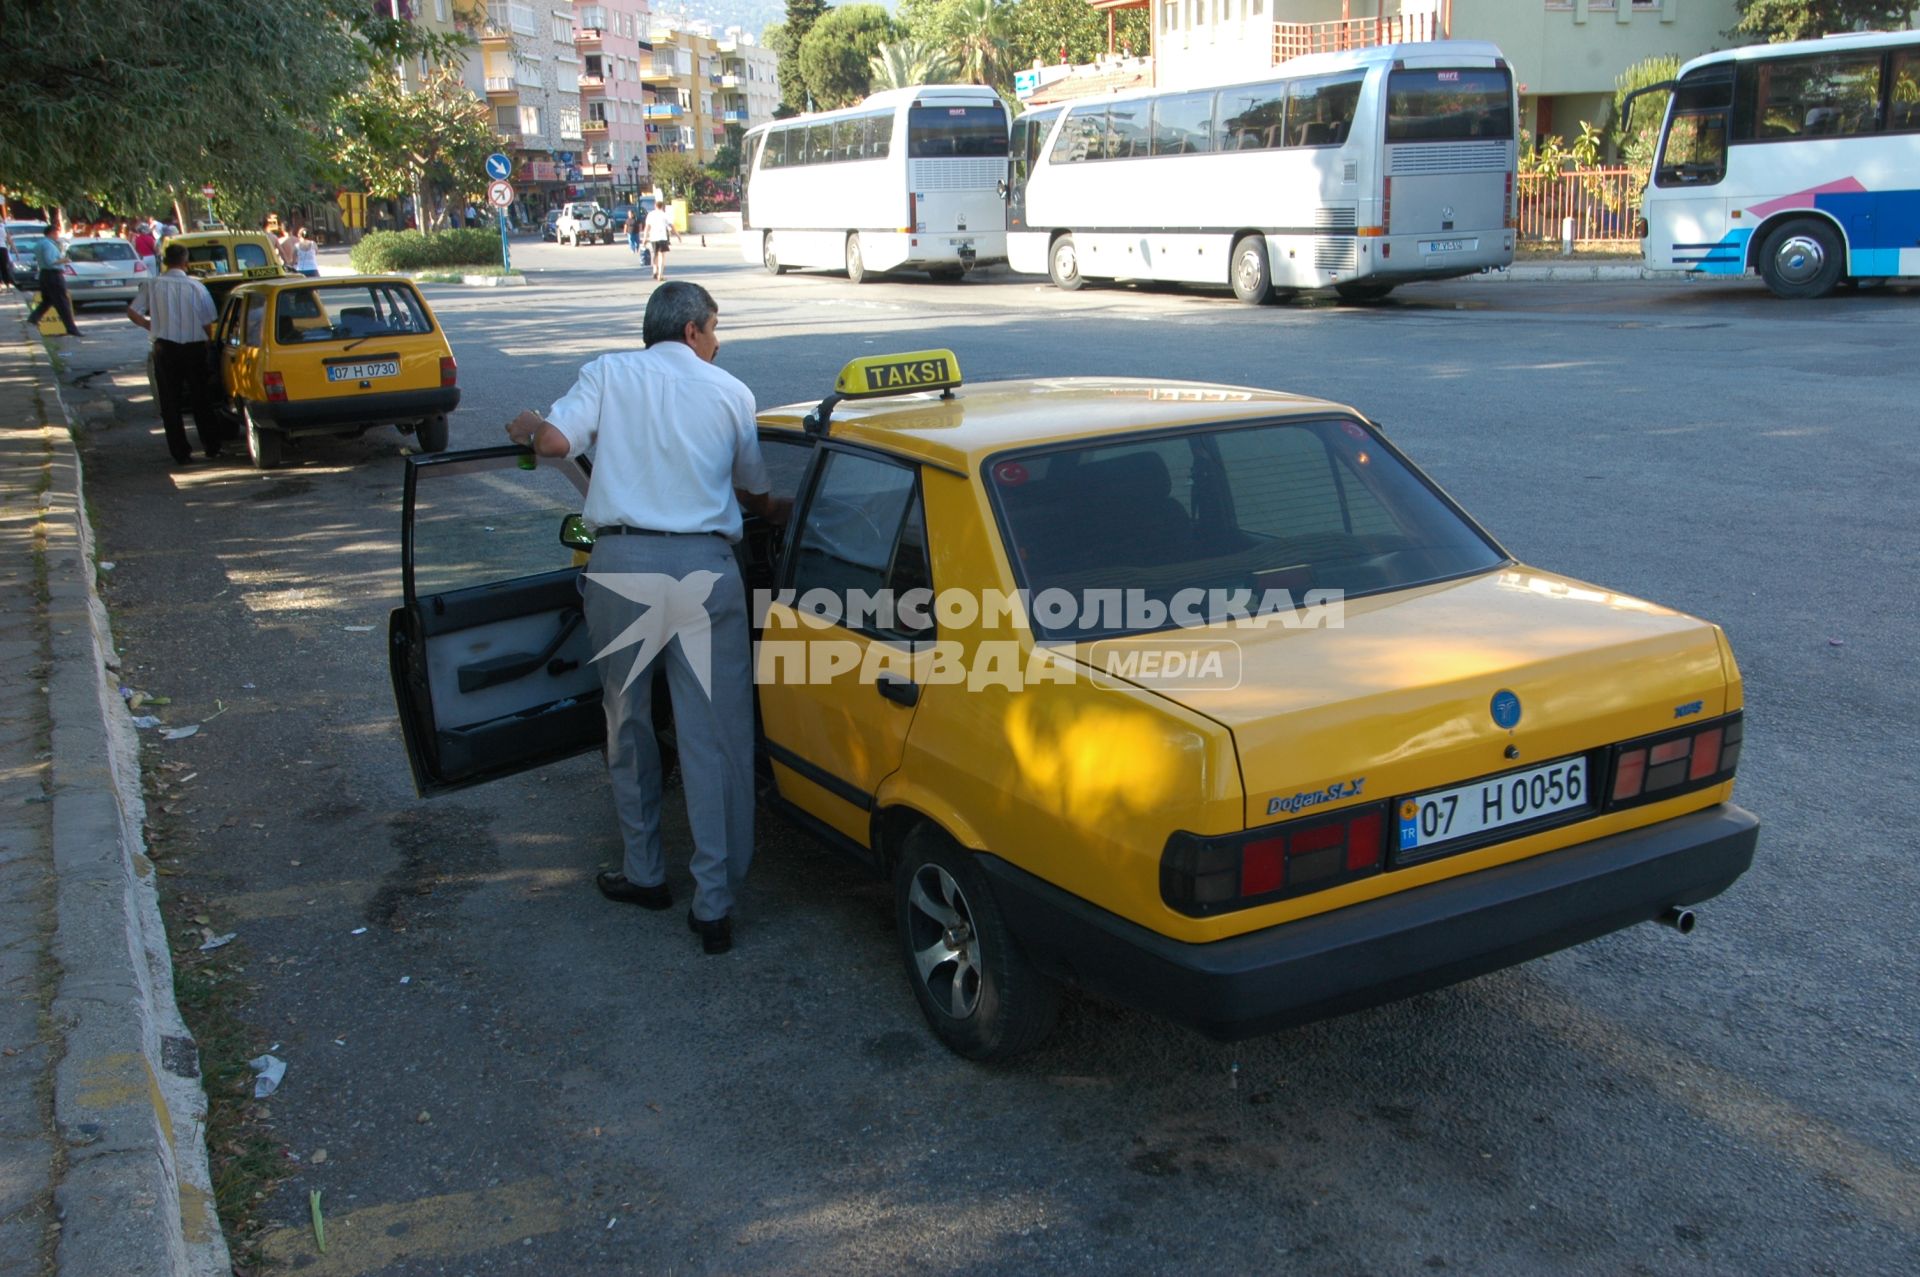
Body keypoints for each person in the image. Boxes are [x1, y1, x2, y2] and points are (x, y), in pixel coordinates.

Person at [502, 282, 787, 955]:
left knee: (627, 722)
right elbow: (754, 491)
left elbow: (553, 440)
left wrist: (525, 425)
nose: (718, 341)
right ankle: (714, 905)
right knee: (713, 738)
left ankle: (645, 872)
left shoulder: (607, 373)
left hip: (622, 569)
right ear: (691, 330)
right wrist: (780, 511)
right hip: (706, 574)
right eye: (715, 328)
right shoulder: (731, 393)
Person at [126, 244, 221, 464]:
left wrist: (151, 325)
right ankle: (211, 445)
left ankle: (180, 452)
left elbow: (132, 311)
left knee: (170, 402)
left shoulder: (153, 285)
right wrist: (210, 344)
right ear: (185, 262)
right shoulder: (196, 287)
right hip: (194, 349)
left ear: (165, 261)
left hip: (165, 348)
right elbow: (208, 322)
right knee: (201, 398)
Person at [27, 234, 81, 336]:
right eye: (57, 233)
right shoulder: (48, 245)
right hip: (53, 275)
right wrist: (64, 260)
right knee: (62, 302)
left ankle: (33, 318)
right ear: (52, 233)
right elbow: (50, 261)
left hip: (44, 275)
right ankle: (71, 328)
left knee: (48, 300)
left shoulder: (40, 243)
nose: (58, 236)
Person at [643, 200, 673, 281]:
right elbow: (671, 225)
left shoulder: (650, 214)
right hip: (662, 237)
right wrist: (678, 236)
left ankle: (654, 270)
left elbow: (647, 227)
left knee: (655, 254)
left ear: (655, 206)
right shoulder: (664, 215)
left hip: (653, 238)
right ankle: (660, 275)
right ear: (662, 206)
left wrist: (645, 238)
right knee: (662, 256)